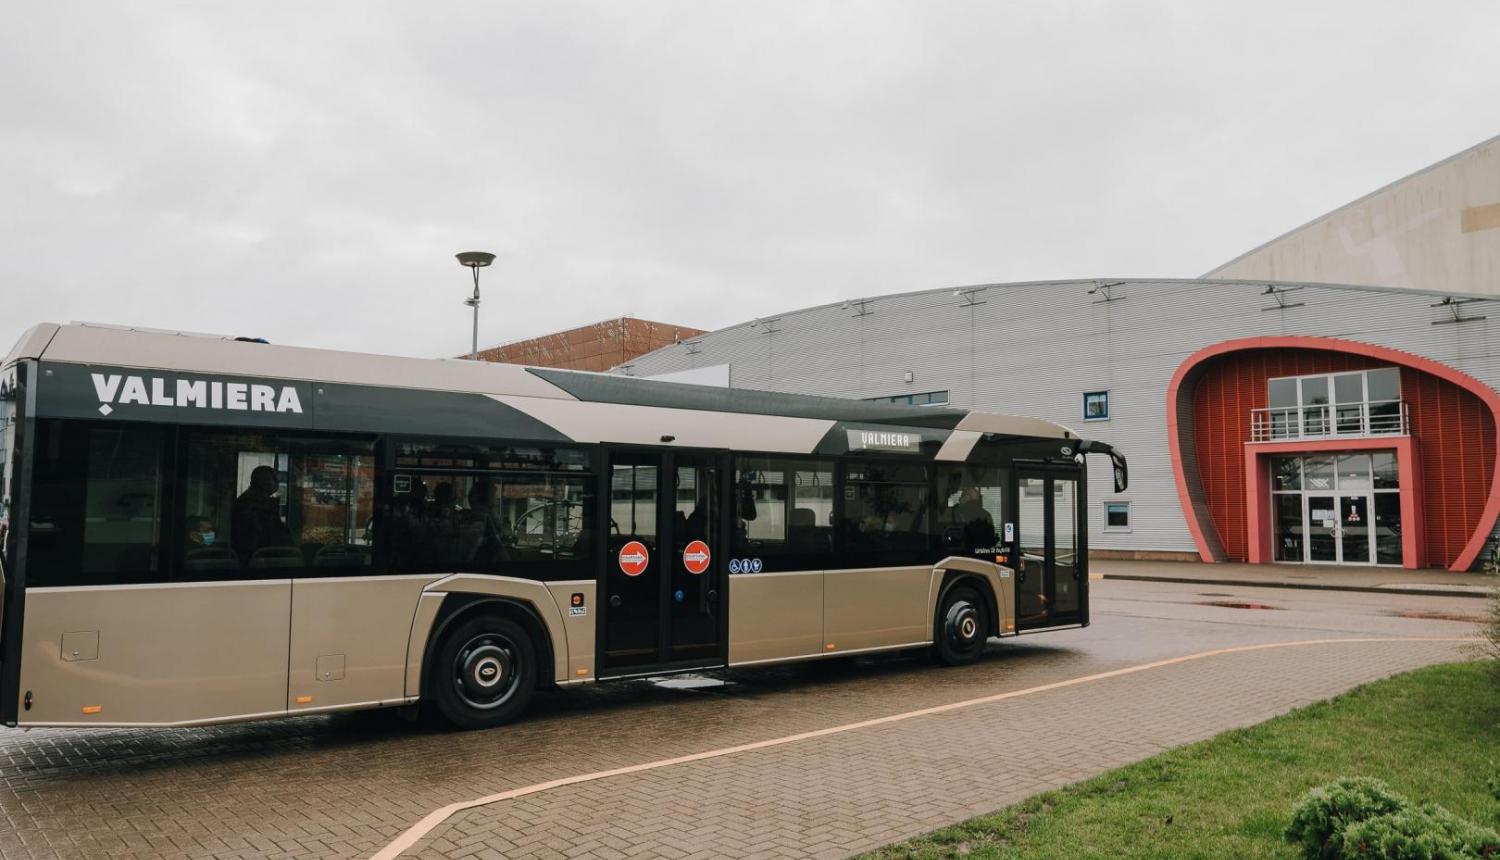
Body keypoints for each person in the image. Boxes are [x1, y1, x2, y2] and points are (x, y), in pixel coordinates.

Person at [231, 465, 293, 560]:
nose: (276, 484)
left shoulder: (263, 501)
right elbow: (260, 534)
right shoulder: (248, 503)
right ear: (264, 484)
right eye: (274, 480)